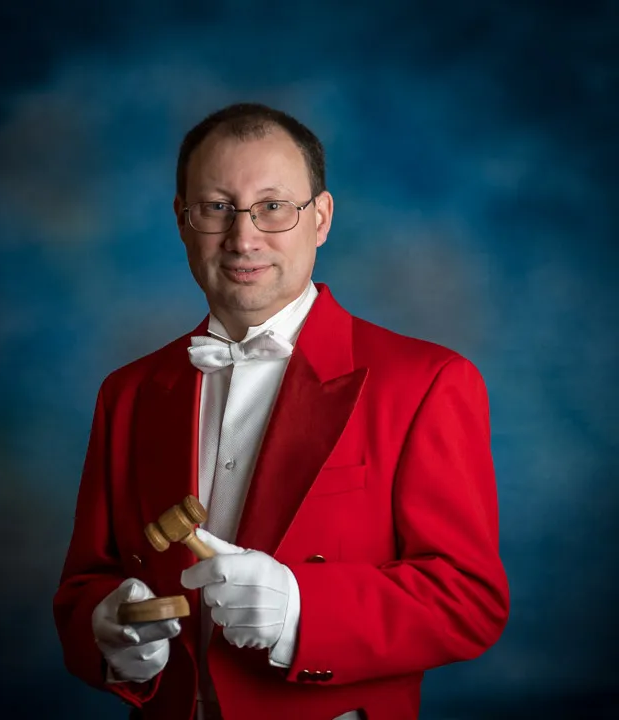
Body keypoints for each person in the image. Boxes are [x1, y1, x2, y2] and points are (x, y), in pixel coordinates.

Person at [53, 103, 510, 720]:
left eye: (274, 207)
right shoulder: (127, 392)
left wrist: (302, 607)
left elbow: (468, 602)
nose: (244, 238)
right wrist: (107, 633)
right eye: (217, 207)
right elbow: (85, 584)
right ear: (182, 222)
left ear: (319, 219)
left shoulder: (428, 382)